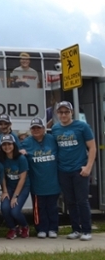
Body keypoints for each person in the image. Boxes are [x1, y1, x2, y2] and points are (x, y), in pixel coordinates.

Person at [51, 101, 96, 241]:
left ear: (71, 112)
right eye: (61, 112)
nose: (63, 115)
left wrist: (88, 167)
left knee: (82, 201)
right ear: (57, 114)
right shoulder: (55, 128)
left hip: (79, 170)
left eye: (66, 112)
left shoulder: (82, 126)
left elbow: (92, 148)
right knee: (70, 202)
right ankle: (76, 229)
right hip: (63, 170)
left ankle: (87, 230)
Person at [21, 117, 60, 239]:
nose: (36, 130)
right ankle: (41, 229)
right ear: (31, 130)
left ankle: (53, 228)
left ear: (44, 129)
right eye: (34, 128)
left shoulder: (52, 139)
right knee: (39, 208)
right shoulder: (26, 142)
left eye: (39, 127)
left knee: (52, 208)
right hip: (37, 183)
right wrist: (21, 152)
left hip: (53, 182)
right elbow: (18, 153)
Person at [0, 134, 30, 239]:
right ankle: (13, 228)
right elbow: (2, 176)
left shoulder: (21, 158)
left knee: (15, 210)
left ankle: (25, 226)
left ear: (14, 145)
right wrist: (4, 191)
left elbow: (23, 178)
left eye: (9, 144)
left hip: (22, 187)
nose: (7, 146)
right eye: (4, 144)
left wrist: (15, 196)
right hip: (9, 187)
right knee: (4, 208)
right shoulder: (1, 159)